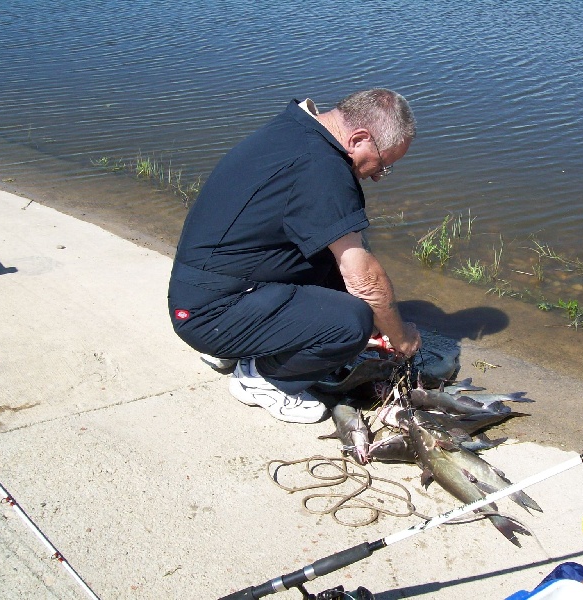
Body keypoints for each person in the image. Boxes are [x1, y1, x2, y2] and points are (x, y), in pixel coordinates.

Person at [167, 89, 422, 424]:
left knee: (334, 256)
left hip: (206, 290)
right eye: (384, 165)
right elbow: (364, 278)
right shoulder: (323, 169)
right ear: (358, 139)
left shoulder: (297, 128)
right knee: (351, 322)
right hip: (208, 313)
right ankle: (263, 378)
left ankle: (240, 345)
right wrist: (401, 337)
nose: (377, 176)